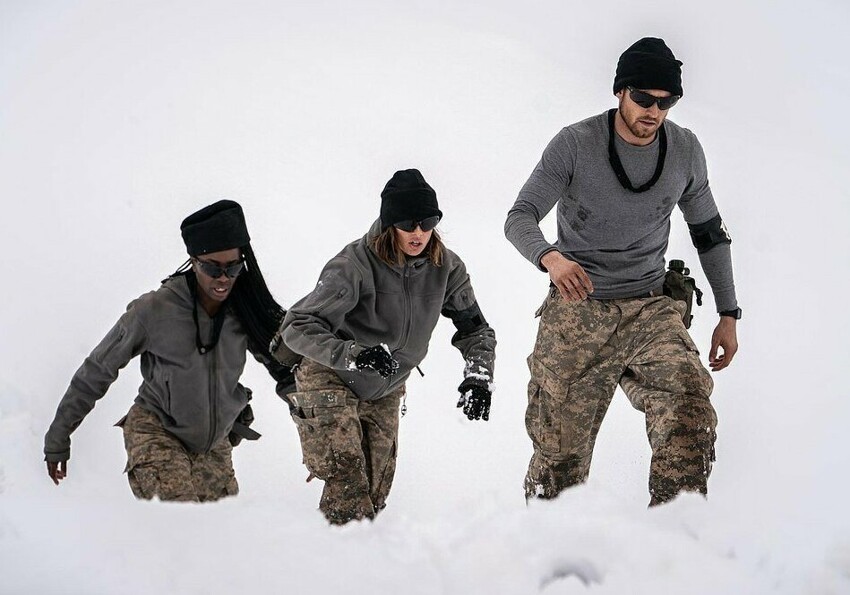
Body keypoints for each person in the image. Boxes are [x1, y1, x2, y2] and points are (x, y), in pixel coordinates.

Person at [504, 38, 741, 505]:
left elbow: (710, 234)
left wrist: (729, 313)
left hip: (650, 307)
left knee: (690, 412)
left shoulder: (686, 151)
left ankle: (673, 535)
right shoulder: (575, 144)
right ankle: (543, 551)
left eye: (666, 102)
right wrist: (551, 258)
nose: (654, 111)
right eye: (644, 99)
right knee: (559, 463)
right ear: (620, 92)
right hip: (579, 308)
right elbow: (520, 217)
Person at [273, 168, 496, 524]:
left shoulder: (448, 269)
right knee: (347, 481)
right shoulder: (354, 265)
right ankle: (337, 563)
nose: (419, 232)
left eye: (428, 222)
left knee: (374, 494)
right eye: (408, 224)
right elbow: (297, 326)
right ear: (390, 223)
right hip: (330, 375)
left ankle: (358, 558)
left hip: (386, 386)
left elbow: (476, 330)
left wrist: (478, 375)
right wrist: (354, 355)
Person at [44, 200, 297, 502]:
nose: (223, 278)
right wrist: (58, 437)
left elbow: (290, 373)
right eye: (212, 268)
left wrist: (319, 439)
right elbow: (97, 371)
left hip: (213, 444)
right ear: (193, 260)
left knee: (222, 539)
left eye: (233, 267)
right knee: (180, 528)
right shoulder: (153, 310)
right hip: (157, 432)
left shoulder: (245, 311)